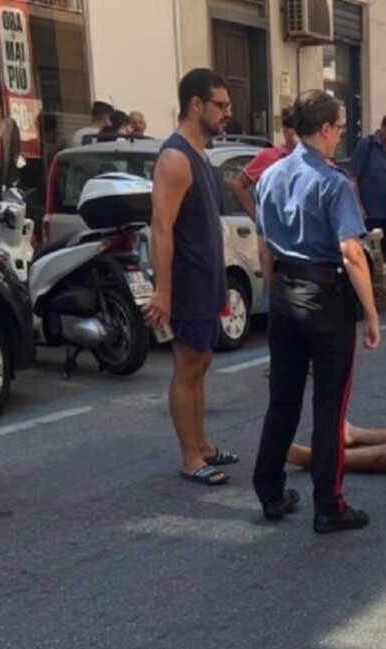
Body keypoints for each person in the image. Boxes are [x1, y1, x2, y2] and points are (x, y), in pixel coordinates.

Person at [252, 89, 381, 535]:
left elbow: (264, 247)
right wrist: (372, 314)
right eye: (341, 127)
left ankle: (269, 490)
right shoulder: (332, 182)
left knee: (282, 399)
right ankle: (329, 505)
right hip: (325, 297)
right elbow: (351, 251)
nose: (342, 134)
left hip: (285, 295)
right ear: (325, 129)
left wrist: (274, 296)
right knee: (329, 406)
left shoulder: (270, 176)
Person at [144, 68, 236, 486]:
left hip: (207, 278)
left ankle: (203, 443)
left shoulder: (200, 154)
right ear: (196, 105)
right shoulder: (176, 157)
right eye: (221, 105)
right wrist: (163, 291)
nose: (227, 113)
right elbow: (161, 226)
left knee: (202, 361)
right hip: (187, 282)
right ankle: (189, 457)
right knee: (187, 366)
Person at [348, 113, 386, 271]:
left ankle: (384, 291)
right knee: (370, 254)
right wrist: (358, 205)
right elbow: (353, 177)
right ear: (382, 128)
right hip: (370, 211)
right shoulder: (367, 145)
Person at [231, 108, 298, 220]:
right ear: (285, 130)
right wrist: (258, 220)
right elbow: (238, 185)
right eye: (294, 128)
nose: (298, 134)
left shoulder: (312, 159)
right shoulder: (269, 156)